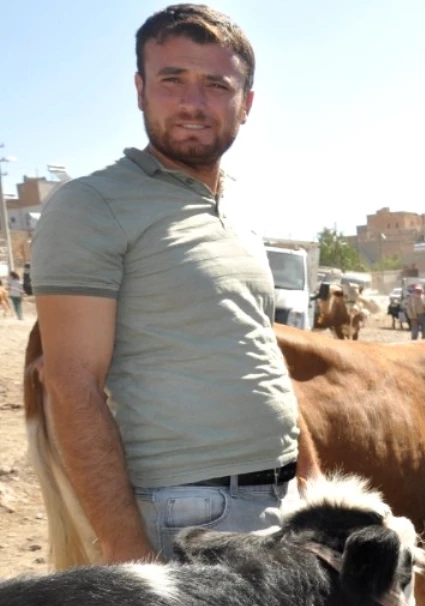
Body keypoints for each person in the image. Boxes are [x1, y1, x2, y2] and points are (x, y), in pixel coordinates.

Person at [31, 4, 300, 563]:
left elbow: (258, 350)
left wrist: (306, 481)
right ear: (139, 89)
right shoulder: (93, 205)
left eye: (215, 85)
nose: (192, 103)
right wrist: (129, 549)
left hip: (280, 501)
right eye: (171, 80)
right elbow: (72, 382)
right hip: (186, 516)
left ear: (245, 104)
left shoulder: (237, 206)